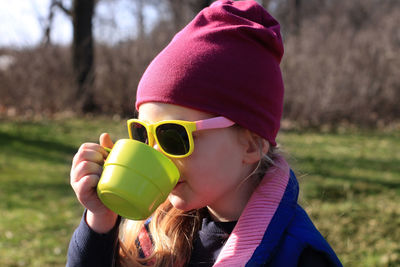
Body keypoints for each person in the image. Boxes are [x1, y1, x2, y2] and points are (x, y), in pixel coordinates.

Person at [67, 1, 343, 266]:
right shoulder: (158, 232)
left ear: (251, 144)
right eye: (143, 134)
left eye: (173, 136)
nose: (153, 152)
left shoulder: (298, 256)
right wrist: (100, 220)